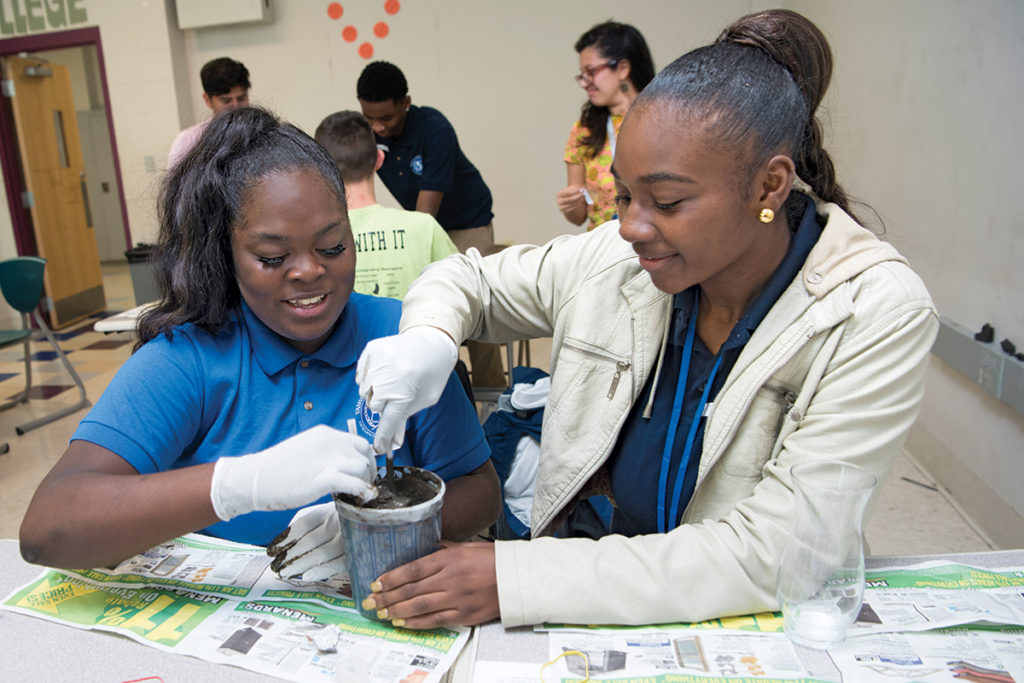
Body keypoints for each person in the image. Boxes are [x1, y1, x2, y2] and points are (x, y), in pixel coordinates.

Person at [352, 10, 939, 629]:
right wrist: (429, 338)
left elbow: (781, 552)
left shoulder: (873, 312)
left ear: (769, 186)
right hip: (582, 583)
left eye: (666, 202)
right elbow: (467, 279)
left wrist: (514, 578)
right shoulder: (619, 257)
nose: (630, 226)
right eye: (626, 194)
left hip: (736, 620)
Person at [19, 106, 500, 578]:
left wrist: (379, 531)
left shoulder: (401, 339)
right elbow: (48, 529)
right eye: (272, 256)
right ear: (226, 254)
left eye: (332, 246)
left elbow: (479, 490)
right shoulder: (192, 356)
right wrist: (239, 485)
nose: (310, 271)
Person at [356, 61, 506, 388]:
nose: (378, 128)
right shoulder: (367, 133)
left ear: (406, 103)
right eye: (370, 119)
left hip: (467, 223)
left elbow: (425, 216)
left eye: (387, 118)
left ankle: (490, 395)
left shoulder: (434, 129)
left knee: (474, 305)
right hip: (423, 224)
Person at [314, 110, 458, 301]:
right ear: (379, 159)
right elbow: (463, 290)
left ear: (320, 169)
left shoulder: (314, 238)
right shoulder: (424, 227)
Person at [557, 21, 655, 231]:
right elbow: (578, 217)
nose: (584, 82)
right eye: (582, 75)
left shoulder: (663, 119)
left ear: (622, 68)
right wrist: (570, 205)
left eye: (591, 72)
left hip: (652, 239)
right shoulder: (584, 130)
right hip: (603, 248)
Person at [167, 57, 251, 168]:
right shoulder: (187, 141)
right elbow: (176, 185)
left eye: (241, 98)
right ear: (207, 100)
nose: (236, 107)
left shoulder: (264, 134)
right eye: (226, 101)